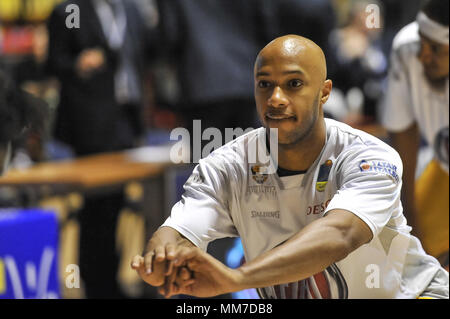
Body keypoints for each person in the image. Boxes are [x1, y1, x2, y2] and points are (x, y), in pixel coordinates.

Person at [132, 35, 449, 299]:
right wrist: (164, 260)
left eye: (293, 84)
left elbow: (340, 234)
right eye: (265, 84)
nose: (276, 98)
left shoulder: (368, 156)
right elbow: (178, 232)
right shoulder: (225, 165)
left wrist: (237, 278)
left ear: (324, 92)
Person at [380, 0, 449, 268]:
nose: (423, 56)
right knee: (410, 255)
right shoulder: (406, 49)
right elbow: (402, 152)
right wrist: (415, 239)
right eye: (422, 42)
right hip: (441, 169)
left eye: (436, 49)